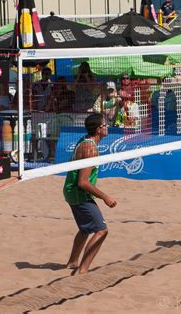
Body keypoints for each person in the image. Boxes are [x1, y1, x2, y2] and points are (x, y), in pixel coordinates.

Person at [64, 113, 117, 274]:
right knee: (102, 230)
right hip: (79, 192)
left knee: (85, 229)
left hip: (71, 191)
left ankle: (72, 262)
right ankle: (83, 270)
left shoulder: (87, 141)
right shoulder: (90, 148)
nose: (107, 127)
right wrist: (105, 197)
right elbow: (83, 182)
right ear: (97, 129)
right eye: (105, 125)